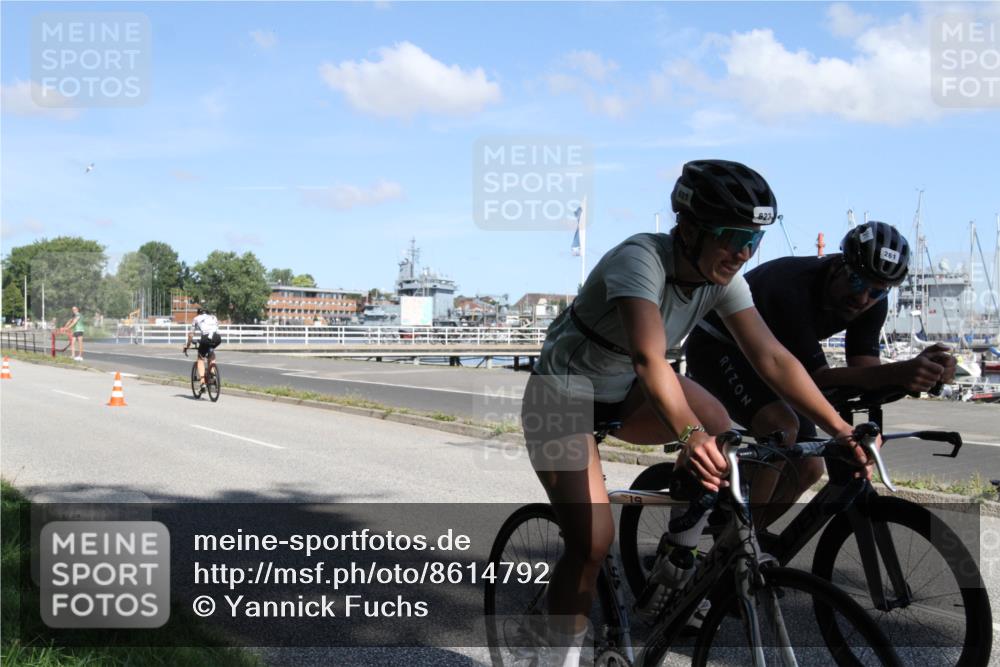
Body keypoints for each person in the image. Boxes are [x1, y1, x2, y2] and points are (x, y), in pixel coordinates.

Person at [520, 159, 877, 667]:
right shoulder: (640, 259)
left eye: (754, 240)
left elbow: (772, 358)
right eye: (733, 237)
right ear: (688, 228)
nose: (743, 253)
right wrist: (689, 436)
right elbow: (649, 359)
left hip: (623, 390)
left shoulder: (722, 280)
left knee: (725, 432)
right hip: (561, 396)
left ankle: (684, 543)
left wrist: (840, 430)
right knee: (592, 542)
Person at [686, 221, 956, 528]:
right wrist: (899, 372)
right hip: (717, 347)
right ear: (838, 264)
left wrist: (921, 373)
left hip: (775, 360)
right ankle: (738, 543)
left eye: (877, 291)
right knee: (781, 428)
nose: (863, 298)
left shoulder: (873, 303)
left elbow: (865, 372)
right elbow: (817, 378)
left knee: (809, 468)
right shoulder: (791, 286)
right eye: (857, 281)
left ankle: (747, 538)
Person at [183, 308, 222, 393]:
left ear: (198, 313)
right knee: (211, 352)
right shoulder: (213, 317)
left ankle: (202, 383)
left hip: (206, 338)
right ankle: (212, 372)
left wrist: (187, 345)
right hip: (217, 338)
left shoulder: (196, 318)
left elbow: (191, 335)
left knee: (200, 358)